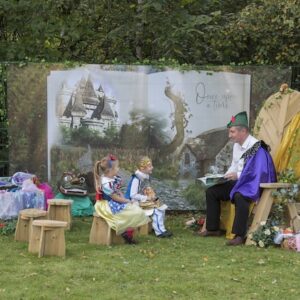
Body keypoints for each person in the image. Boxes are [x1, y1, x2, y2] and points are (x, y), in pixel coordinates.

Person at [199, 111, 277, 246]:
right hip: (240, 182)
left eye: (232, 132)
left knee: (240, 196)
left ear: (243, 131)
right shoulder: (236, 146)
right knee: (212, 192)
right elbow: (235, 165)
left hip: (253, 184)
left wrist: (238, 176)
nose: (230, 136)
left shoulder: (256, 148)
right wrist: (223, 178)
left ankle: (239, 236)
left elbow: (257, 173)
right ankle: (212, 229)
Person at [94, 154, 150, 244]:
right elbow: (115, 197)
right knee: (128, 213)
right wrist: (126, 201)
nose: (119, 169)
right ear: (110, 170)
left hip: (115, 201)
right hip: (106, 204)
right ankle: (125, 232)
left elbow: (118, 191)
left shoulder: (114, 178)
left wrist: (125, 200)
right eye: (117, 167)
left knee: (134, 210)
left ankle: (127, 231)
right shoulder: (106, 183)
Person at [125, 156, 173, 238]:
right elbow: (133, 195)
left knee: (161, 206)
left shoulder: (143, 177)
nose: (152, 167)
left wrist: (150, 195)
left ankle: (160, 228)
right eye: (150, 166)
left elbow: (143, 190)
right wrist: (147, 198)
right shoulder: (137, 179)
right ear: (142, 168)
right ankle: (160, 232)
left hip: (140, 201)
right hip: (133, 203)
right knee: (156, 210)